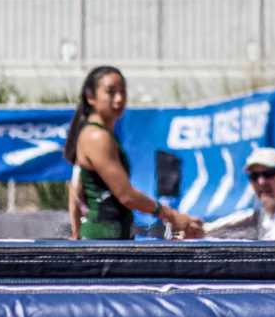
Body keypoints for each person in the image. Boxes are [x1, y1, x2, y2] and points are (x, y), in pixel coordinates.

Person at [64, 64, 203, 241]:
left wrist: (76, 232)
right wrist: (171, 216)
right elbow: (126, 195)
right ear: (91, 97)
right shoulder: (96, 137)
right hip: (102, 244)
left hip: (110, 240)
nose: (119, 98)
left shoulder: (96, 134)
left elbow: (75, 189)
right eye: (111, 92)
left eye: (123, 91)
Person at [204, 146, 275, 242]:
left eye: (269, 174)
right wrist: (202, 229)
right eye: (254, 176)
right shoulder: (269, 213)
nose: (261, 182)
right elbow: (242, 221)